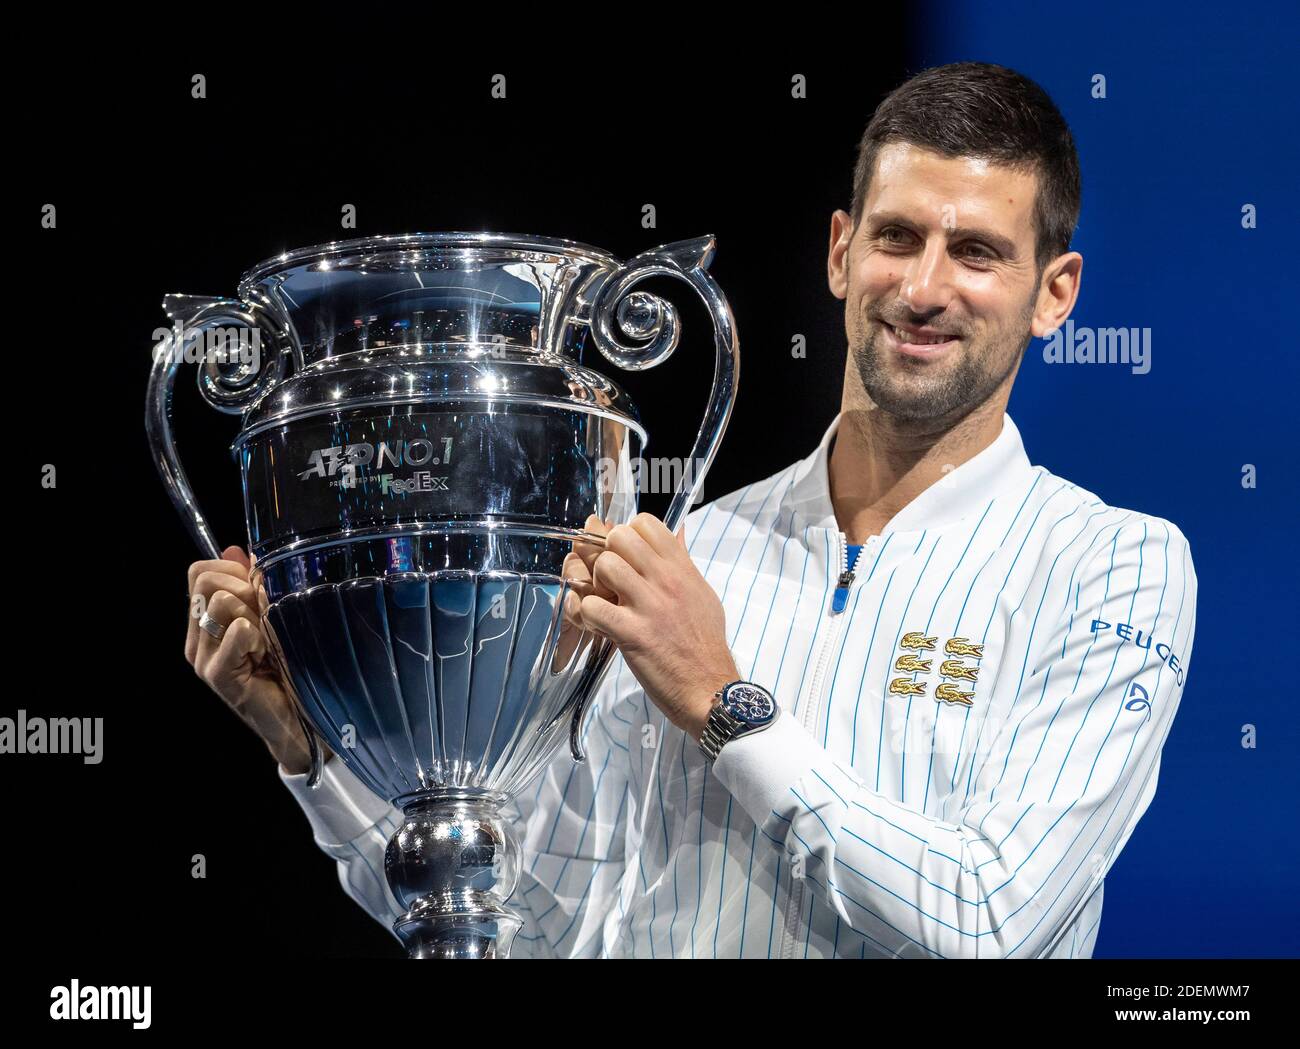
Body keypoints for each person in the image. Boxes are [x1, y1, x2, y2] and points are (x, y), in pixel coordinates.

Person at [185, 61, 1196, 958]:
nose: (924, 286)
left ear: (1053, 292)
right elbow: (541, 927)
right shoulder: (693, 553)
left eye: (975, 251)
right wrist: (315, 754)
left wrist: (723, 700)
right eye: (897, 236)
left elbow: (987, 918)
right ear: (840, 252)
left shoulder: (1112, 564)